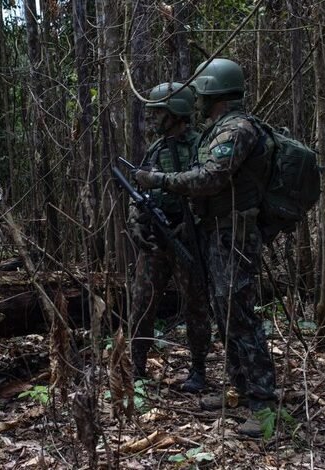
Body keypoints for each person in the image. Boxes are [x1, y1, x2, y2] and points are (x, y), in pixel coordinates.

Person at [134, 58, 277, 414]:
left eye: (200, 91)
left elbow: (211, 178)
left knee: (239, 315)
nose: (196, 99)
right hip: (217, 235)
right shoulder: (218, 130)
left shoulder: (237, 128)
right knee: (227, 314)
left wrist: (163, 182)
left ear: (214, 91)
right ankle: (242, 393)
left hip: (232, 236)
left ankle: (262, 403)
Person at [127, 82, 211, 393]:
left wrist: (191, 228)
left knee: (196, 306)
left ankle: (199, 371)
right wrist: (135, 221)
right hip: (154, 238)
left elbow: (209, 188)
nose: (153, 117)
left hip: (188, 240)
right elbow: (138, 190)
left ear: (176, 112)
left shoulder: (201, 146)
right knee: (142, 302)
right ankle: (136, 368)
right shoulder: (156, 149)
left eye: (159, 111)